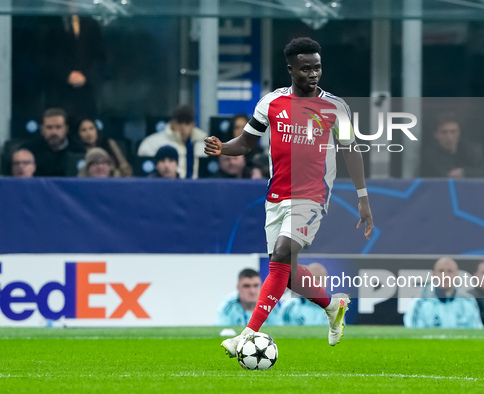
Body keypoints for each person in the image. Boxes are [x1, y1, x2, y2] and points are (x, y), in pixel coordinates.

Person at [205, 37, 373, 357]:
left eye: (317, 67)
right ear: (291, 69)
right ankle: (333, 305)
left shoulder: (336, 107)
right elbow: (246, 143)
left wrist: (362, 198)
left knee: (282, 255)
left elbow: (351, 150)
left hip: (312, 197)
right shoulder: (271, 103)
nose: (313, 74)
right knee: (288, 273)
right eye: (305, 68)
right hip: (276, 197)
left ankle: (247, 335)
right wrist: (222, 148)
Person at [40, 15, 106, 117]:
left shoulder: (90, 24)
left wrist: (85, 75)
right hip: (57, 90)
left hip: (86, 91)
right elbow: (44, 56)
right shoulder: (48, 22)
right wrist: (66, 74)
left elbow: (99, 57)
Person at [403, 257, 483, 329]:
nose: (445, 275)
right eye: (441, 271)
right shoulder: (419, 303)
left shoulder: (468, 302)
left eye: (450, 271)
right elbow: (414, 338)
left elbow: (477, 336)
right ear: (434, 275)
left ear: (457, 276)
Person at [137, 105, 207, 179]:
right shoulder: (152, 143)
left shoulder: (203, 145)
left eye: (187, 123)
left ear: (193, 125)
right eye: (179, 122)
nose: (183, 127)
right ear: (171, 123)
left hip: (197, 188)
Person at [421, 113, 484, 178]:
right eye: (444, 132)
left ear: (459, 133)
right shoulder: (430, 155)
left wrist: (463, 172)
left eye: (453, 132)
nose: (449, 136)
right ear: (435, 135)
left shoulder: (472, 150)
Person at [215, 269, 282, 327]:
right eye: (247, 286)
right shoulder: (228, 305)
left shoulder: (269, 304)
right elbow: (221, 331)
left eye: (256, 286)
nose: (252, 291)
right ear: (238, 287)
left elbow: (279, 330)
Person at [24, 107, 72, 176]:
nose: (54, 132)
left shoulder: (77, 150)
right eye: (49, 127)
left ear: (66, 129)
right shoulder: (29, 150)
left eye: (58, 127)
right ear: (41, 129)